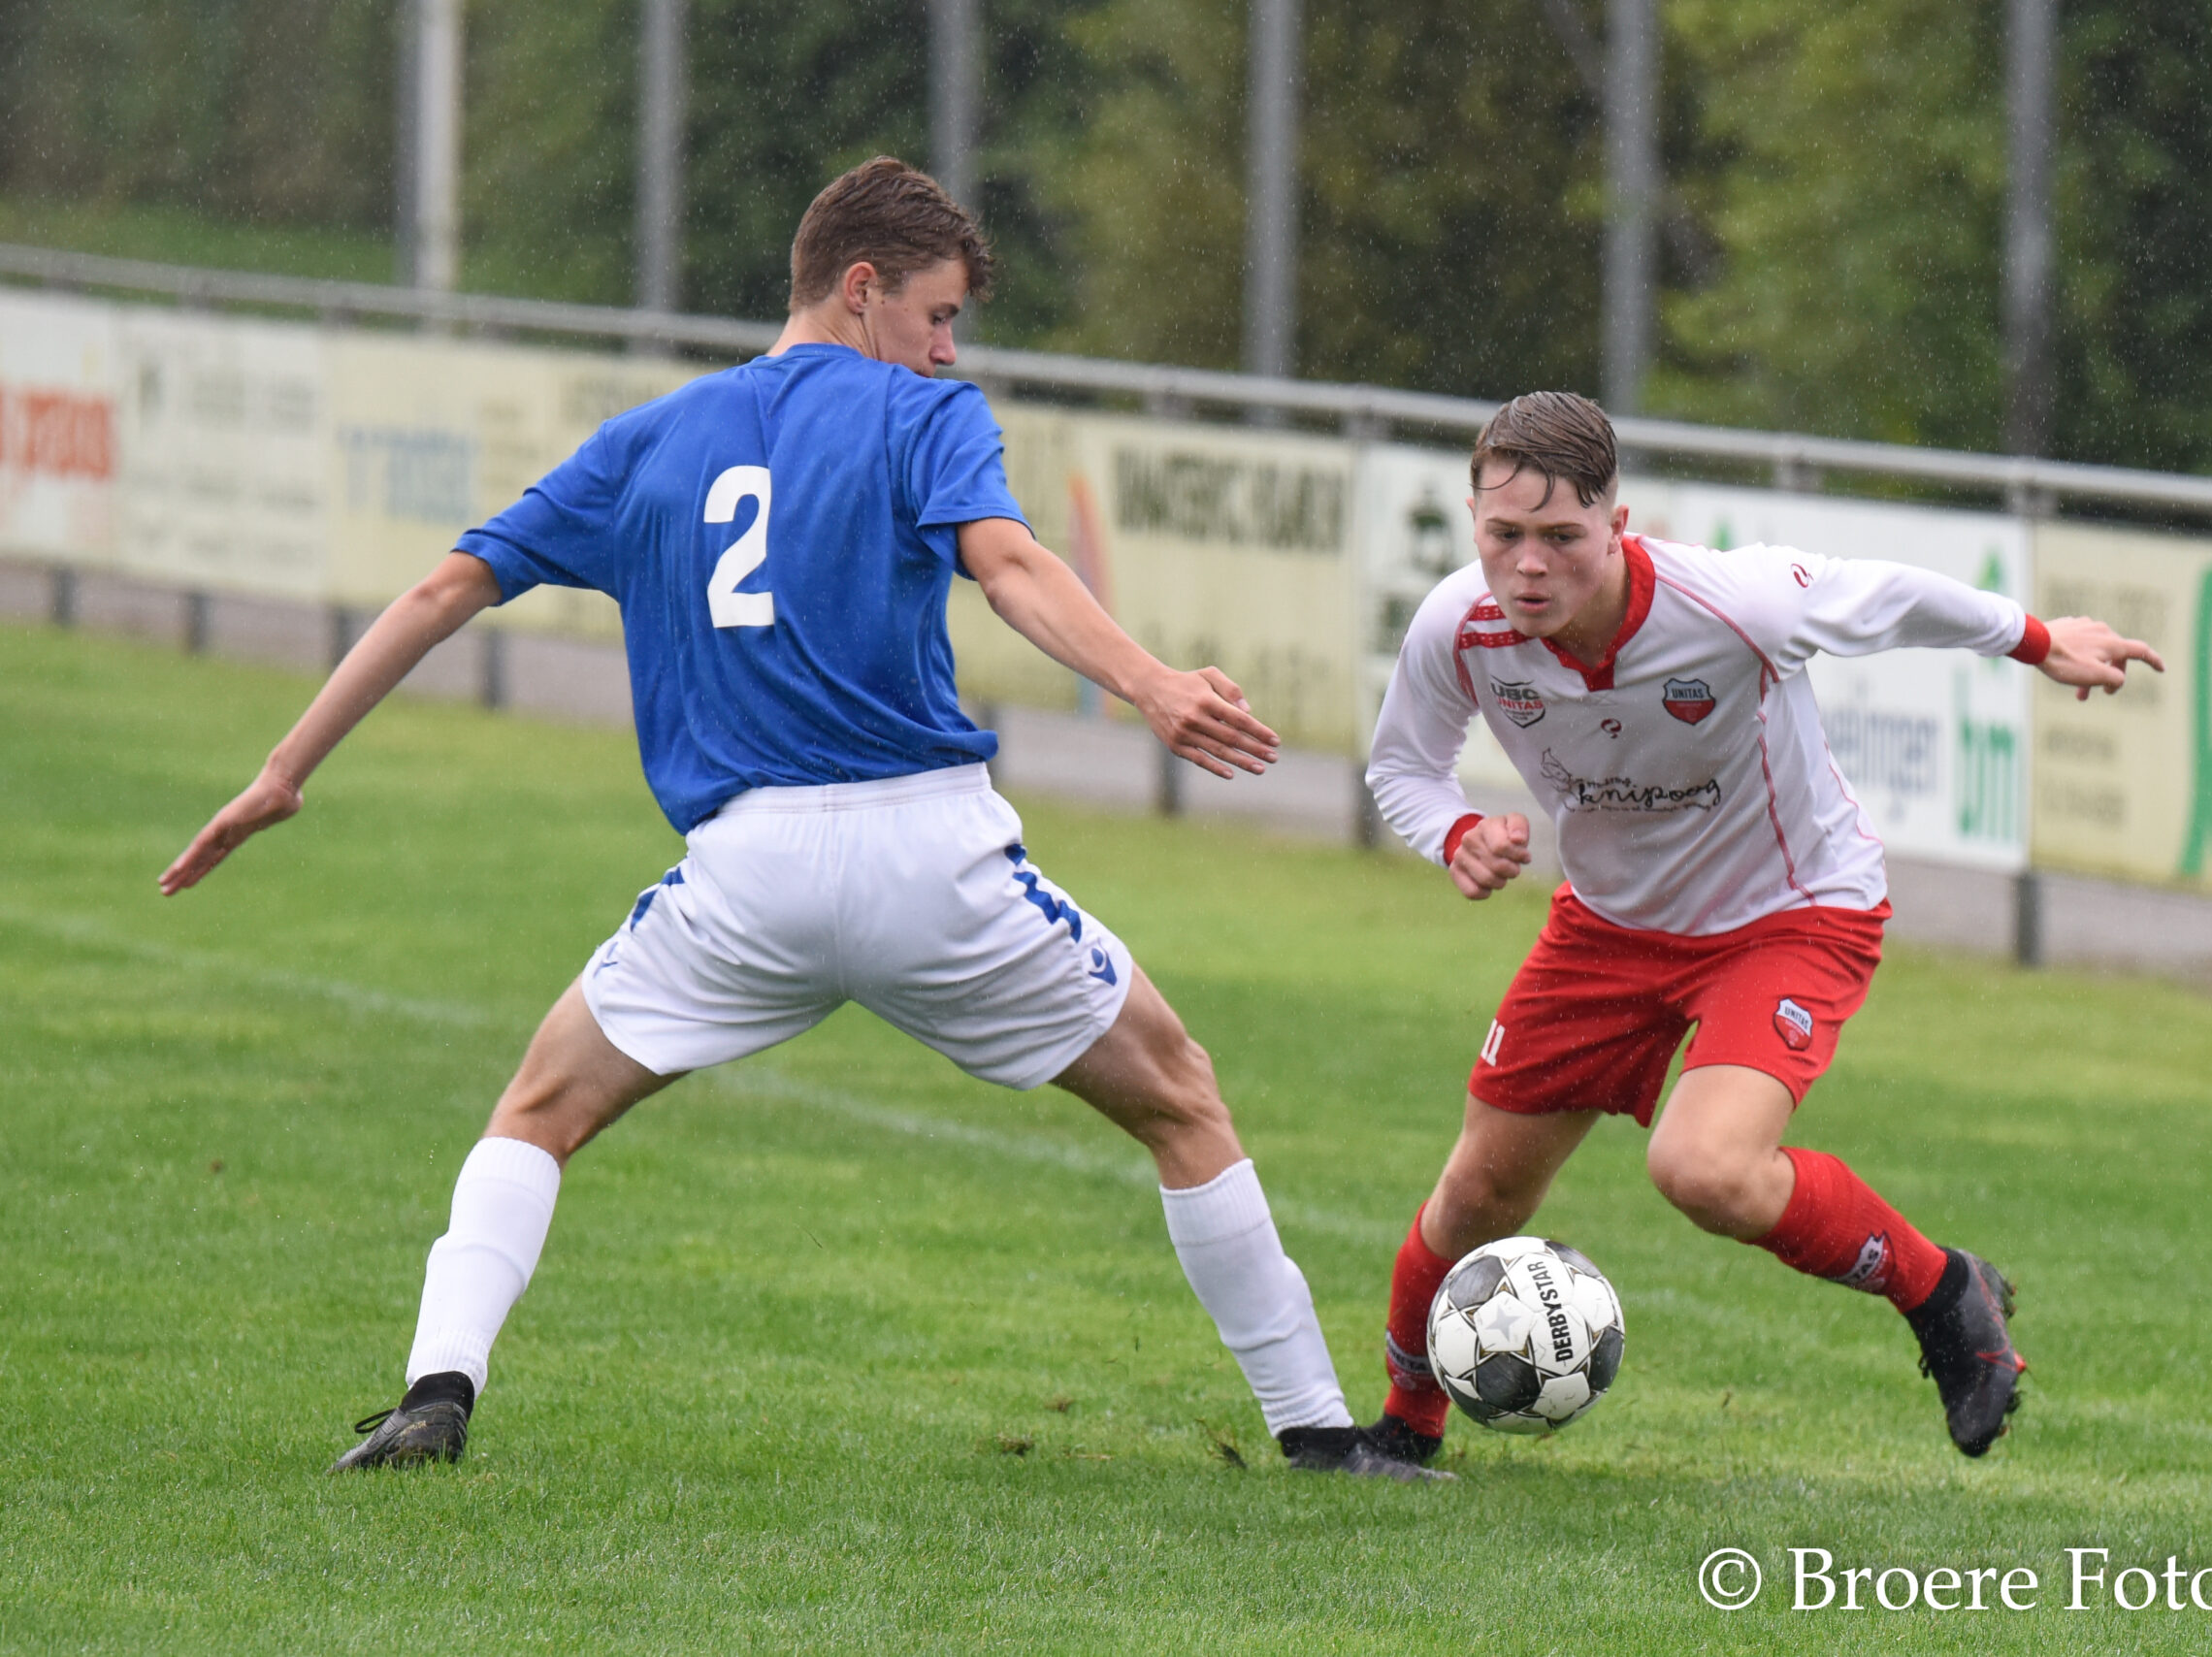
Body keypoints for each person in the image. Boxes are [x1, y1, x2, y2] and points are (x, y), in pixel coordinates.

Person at [161, 157, 1432, 1481]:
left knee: (536, 1112)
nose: (946, 351)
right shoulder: (922, 415)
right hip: (930, 860)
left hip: (745, 879)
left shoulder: (650, 439)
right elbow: (1009, 566)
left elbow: (443, 591)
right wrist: (1150, 682)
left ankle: (437, 1389)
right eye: (937, 316)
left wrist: (283, 771)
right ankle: (1318, 1434)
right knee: (1179, 1098)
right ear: (860, 287)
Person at [1355, 391, 2163, 1470]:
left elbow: (1889, 597)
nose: (1530, 566)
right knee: (1478, 1191)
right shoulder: (1457, 625)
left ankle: (1941, 1290)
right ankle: (1404, 1432)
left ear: (1618, 525)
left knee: (1705, 1169)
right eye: (1504, 534)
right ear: (1472, 521)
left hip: (1788, 913)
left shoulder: (1733, 603)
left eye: (1562, 537)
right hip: (1607, 926)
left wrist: (2037, 640)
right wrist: (1453, 831)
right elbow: (1402, 765)